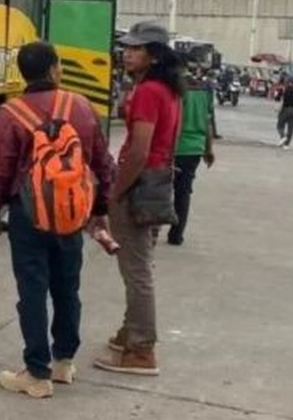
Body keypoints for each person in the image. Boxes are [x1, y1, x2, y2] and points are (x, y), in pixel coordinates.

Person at [0, 42, 115, 398]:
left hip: (28, 215)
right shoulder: (83, 108)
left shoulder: (11, 114)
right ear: (56, 68)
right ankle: (64, 363)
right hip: (72, 212)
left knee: (32, 290)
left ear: (22, 73)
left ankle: (36, 373)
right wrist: (99, 210)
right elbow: (102, 163)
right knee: (67, 287)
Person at [95, 21, 181, 377]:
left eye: (136, 48)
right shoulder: (170, 90)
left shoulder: (148, 93)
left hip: (139, 184)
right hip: (159, 182)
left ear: (155, 55)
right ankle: (130, 332)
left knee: (136, 269)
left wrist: (114, 193)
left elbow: (139, 150)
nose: (127, 52)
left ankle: (142, 349)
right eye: (127, 47)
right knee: (141, 262)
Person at [170, 55, 216, 246]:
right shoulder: (204, 89)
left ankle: (152, 229)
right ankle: (177, 235)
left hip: (176, 147)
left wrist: (169, 148)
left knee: (162, 188)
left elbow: (177, 121)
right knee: (183, 192)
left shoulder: (178, 89)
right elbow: (207, 121)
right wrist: (208, 149)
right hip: (195, 148)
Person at [277, 78, 293, 148]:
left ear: (288, 83)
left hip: (285, 109)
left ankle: (283, 137)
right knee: (291, 129)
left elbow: (277, 98)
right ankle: (286, 145)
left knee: (280, 126)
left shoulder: (284, 89)